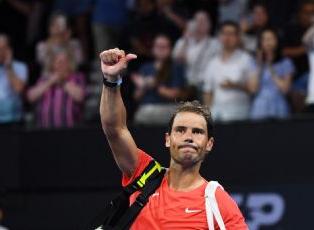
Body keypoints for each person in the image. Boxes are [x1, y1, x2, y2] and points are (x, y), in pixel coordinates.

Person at [99, 47, 248, 229]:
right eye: (181, 130)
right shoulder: (144, 174)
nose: (188, 137)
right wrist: (111, 80)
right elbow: (115, 129)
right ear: (168, 139)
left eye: (197, 132)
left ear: (209, 144)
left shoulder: (217, 201)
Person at [203, 21, 254, 123]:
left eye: (231, 34)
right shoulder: (212, 63)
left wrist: (235, 85)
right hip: (217, 114)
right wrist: (208, 116)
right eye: (224, 33)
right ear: (219, 36)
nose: (227, 37)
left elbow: (253, 88)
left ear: (238, 37)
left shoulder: (247, 59)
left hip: (240, 113)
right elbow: (208, 92)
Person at [132, 34, 186, 125]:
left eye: (164, 47)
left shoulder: (175, 67)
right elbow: (136, 97)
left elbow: (176, 94)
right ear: (153, 48)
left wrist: (154, 86)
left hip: (167, 107)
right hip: (147, 107)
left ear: (170, 49)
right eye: (158, 46)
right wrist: (143, 87)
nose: (161, 49)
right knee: (141, 114)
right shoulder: (145, 68)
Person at [27, 50, 86, 128]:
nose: (60, 65)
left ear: (70, 64)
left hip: (71, 129)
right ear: (52, 64)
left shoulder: (77, 78)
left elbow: (80, 97)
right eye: (57, 62)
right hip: (45, 130)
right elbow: (31, 97)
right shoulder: (44, 80)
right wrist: (50, 82)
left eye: (64, 62)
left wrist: (63, 82)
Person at [248, 29, 295, 120]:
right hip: (260, 108)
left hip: (279, 106)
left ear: (277, 41)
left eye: (271, 39)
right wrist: (260, 66)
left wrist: (270, 66)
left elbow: (285, 89)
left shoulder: (285, 62)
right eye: (265, 39)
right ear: (260, 43)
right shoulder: (254, 63)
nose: (268, 42)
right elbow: (253, 89)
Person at [282, 0, 314, 113]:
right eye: (306, 13)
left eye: (313, 13)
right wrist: (305, 49)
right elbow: (285, 51)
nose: (310, 17)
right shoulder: (291, 29)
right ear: (299, 14)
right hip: (298, 76)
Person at [173, 11, 220, 88]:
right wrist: (186, 40)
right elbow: (178, 62)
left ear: (210, 25)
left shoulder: (215, 43)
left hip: (206, 83)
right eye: (197, 21)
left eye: (203, 21)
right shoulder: (182, 41)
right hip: (186, 83)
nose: (200, 24)